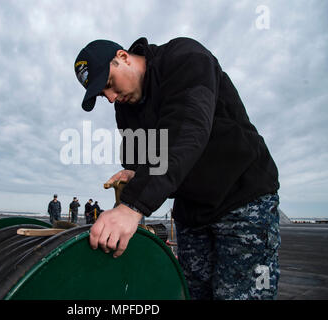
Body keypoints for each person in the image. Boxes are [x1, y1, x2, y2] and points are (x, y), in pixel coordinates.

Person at [74, 38, 280, 300]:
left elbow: (187, 130)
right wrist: (135, 174)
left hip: (242, 201)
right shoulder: (126, 109)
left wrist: (132, 207)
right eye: (104, 96)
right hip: (191, 214)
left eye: (109, 84)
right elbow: (142, 160)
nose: (112, 97)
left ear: (123, 57)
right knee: (190, 294)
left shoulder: (185, 57)